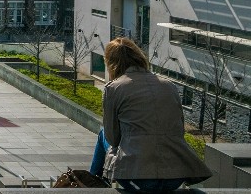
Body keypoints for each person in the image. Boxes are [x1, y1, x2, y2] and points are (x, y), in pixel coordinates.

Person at [90, 37, 211, 193]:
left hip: (136, 177)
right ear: (139, 57)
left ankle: (90, 184)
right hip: (175, 176)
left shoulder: (113, 89)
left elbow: (112, 137)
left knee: (102, 135)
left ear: (111, 64)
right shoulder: (169, 85)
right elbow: (179, 130)